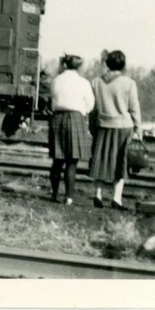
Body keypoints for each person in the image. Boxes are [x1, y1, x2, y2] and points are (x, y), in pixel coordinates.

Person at [88, 50, 142, 211]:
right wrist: (138, 127)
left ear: (107, 64)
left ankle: (97, 195)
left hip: (103, 125)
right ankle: (116, 198)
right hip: (123, 127)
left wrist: (92, 126)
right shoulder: (129, 83)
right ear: (123, 65)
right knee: (120, 163)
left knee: (101, 161)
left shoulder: (96, 82)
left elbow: (93, 108)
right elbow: (134, 108)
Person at [48, 54, 95, 205]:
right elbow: (90, 104)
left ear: (65, 65)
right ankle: (68, 197)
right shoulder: (83, 82)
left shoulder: (56, 80)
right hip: (75, 118)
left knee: (57, 159)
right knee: (71, 161)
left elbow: (52, 98)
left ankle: (54, 194)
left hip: (57, 118)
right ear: (79, 67)